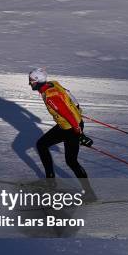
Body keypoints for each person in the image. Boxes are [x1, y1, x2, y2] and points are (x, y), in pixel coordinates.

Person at [29, 67, 96, 198]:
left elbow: (65, 112)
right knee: (42, 145)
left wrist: (79, 132)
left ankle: (89, 194)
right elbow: (69, 94)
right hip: (70, 125)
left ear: (38, 81)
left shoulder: (50, 96)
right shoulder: (53, 84)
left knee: (71, 161)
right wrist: (77, 110)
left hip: (71, 128)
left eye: (31, 81)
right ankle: (51, 181)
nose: (30, 83)